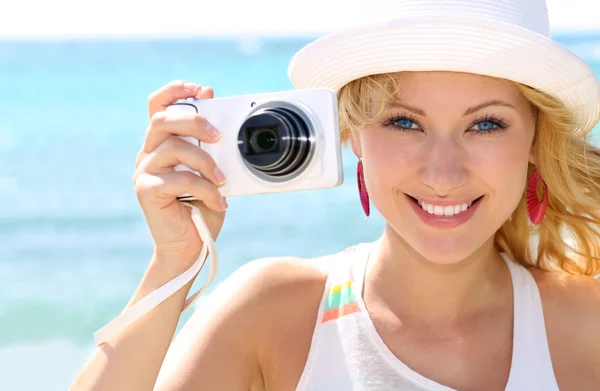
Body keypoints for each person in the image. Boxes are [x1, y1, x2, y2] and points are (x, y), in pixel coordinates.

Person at [70, 0, 600, 390]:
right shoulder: (271, 314)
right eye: (403, 122)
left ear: (535, 139)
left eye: (485, 125)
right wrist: (175, 264)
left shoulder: (586, 325)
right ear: (352, 134)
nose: (443, 173)